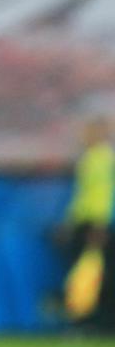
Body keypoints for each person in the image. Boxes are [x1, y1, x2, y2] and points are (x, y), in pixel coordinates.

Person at [60, 116, 115, 330]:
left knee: (95, 274)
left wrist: (100, 225)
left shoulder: (101, 159)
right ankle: (88, 321)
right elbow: (83, 196)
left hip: (94, 224)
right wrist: (70, 221)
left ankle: (93, 322)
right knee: (86, 273)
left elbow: (103, 195)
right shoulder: (91, 157)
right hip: (86, 222)